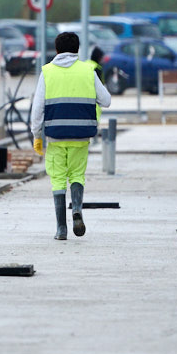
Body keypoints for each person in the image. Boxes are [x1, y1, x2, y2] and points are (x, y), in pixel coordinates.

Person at [29, 31, 111, 240]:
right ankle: (76, 209)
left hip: (55, 136)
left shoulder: (47, 72)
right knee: (77, 175)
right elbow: (106, 100)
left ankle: (61, 229)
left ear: (56, 50)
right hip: (81, 136)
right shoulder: (88, 71)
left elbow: (37, 109)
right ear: (77, 50)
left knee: (58, 179)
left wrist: (36, 134)